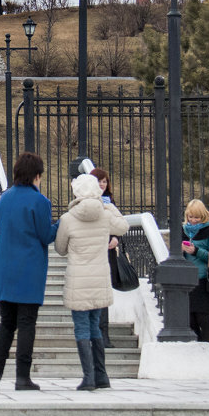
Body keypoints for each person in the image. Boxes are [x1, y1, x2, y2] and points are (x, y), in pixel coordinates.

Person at [0, 152, 57, 390]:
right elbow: (46, 235)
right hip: (29, 271)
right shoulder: (40, 202)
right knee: (26, 323)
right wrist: (60, 225)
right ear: (37, 176)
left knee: (6, 323)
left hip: (4, 270)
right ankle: (22, 377)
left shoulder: (5, 198)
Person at [54, 173, 129, 390]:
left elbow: (60, 249)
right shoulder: (105, 215)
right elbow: (123, 226)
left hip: (78, 278)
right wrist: (109, 207)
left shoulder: (68, 219)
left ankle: (88, 378)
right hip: (100, 277)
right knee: (95, 327)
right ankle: (101, 376)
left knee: (82, 328)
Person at [182, 198, 209, 350]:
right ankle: (199, 351)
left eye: (196, 217)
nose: (192, 221)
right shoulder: (184, 230)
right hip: (186, 280)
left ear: (203, 216)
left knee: (203, 319)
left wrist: (196, 251)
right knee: (190, 320)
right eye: (190, 217)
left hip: (202, 280)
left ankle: (207, 353)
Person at [91, 167, 121, 347]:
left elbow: (118, 224)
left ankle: (104, 335)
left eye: (104, 181)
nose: (102, 184)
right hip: (94, 252)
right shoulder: (86, 202)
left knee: (104, 294)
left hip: (108, 252)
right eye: (99, 181)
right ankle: (94, 334)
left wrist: (116, 238)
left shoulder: (111, 202)